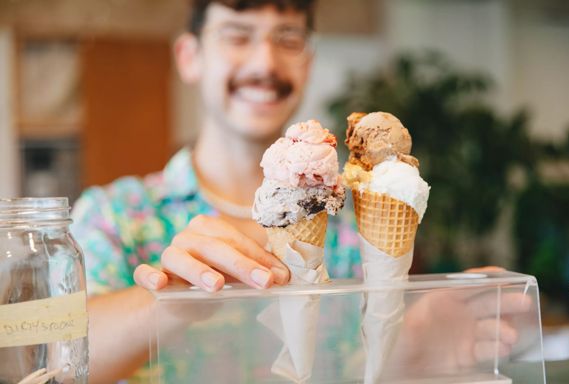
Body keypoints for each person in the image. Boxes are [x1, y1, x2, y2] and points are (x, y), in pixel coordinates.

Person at [70, 1, 527, 382]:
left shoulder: (352, 228)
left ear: (308, 59)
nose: (265, 63)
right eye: (237, 34)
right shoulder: (113, 215)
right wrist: (172, 301)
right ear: (189, 56)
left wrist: (410, 343)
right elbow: (59, 362)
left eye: (287, 38)